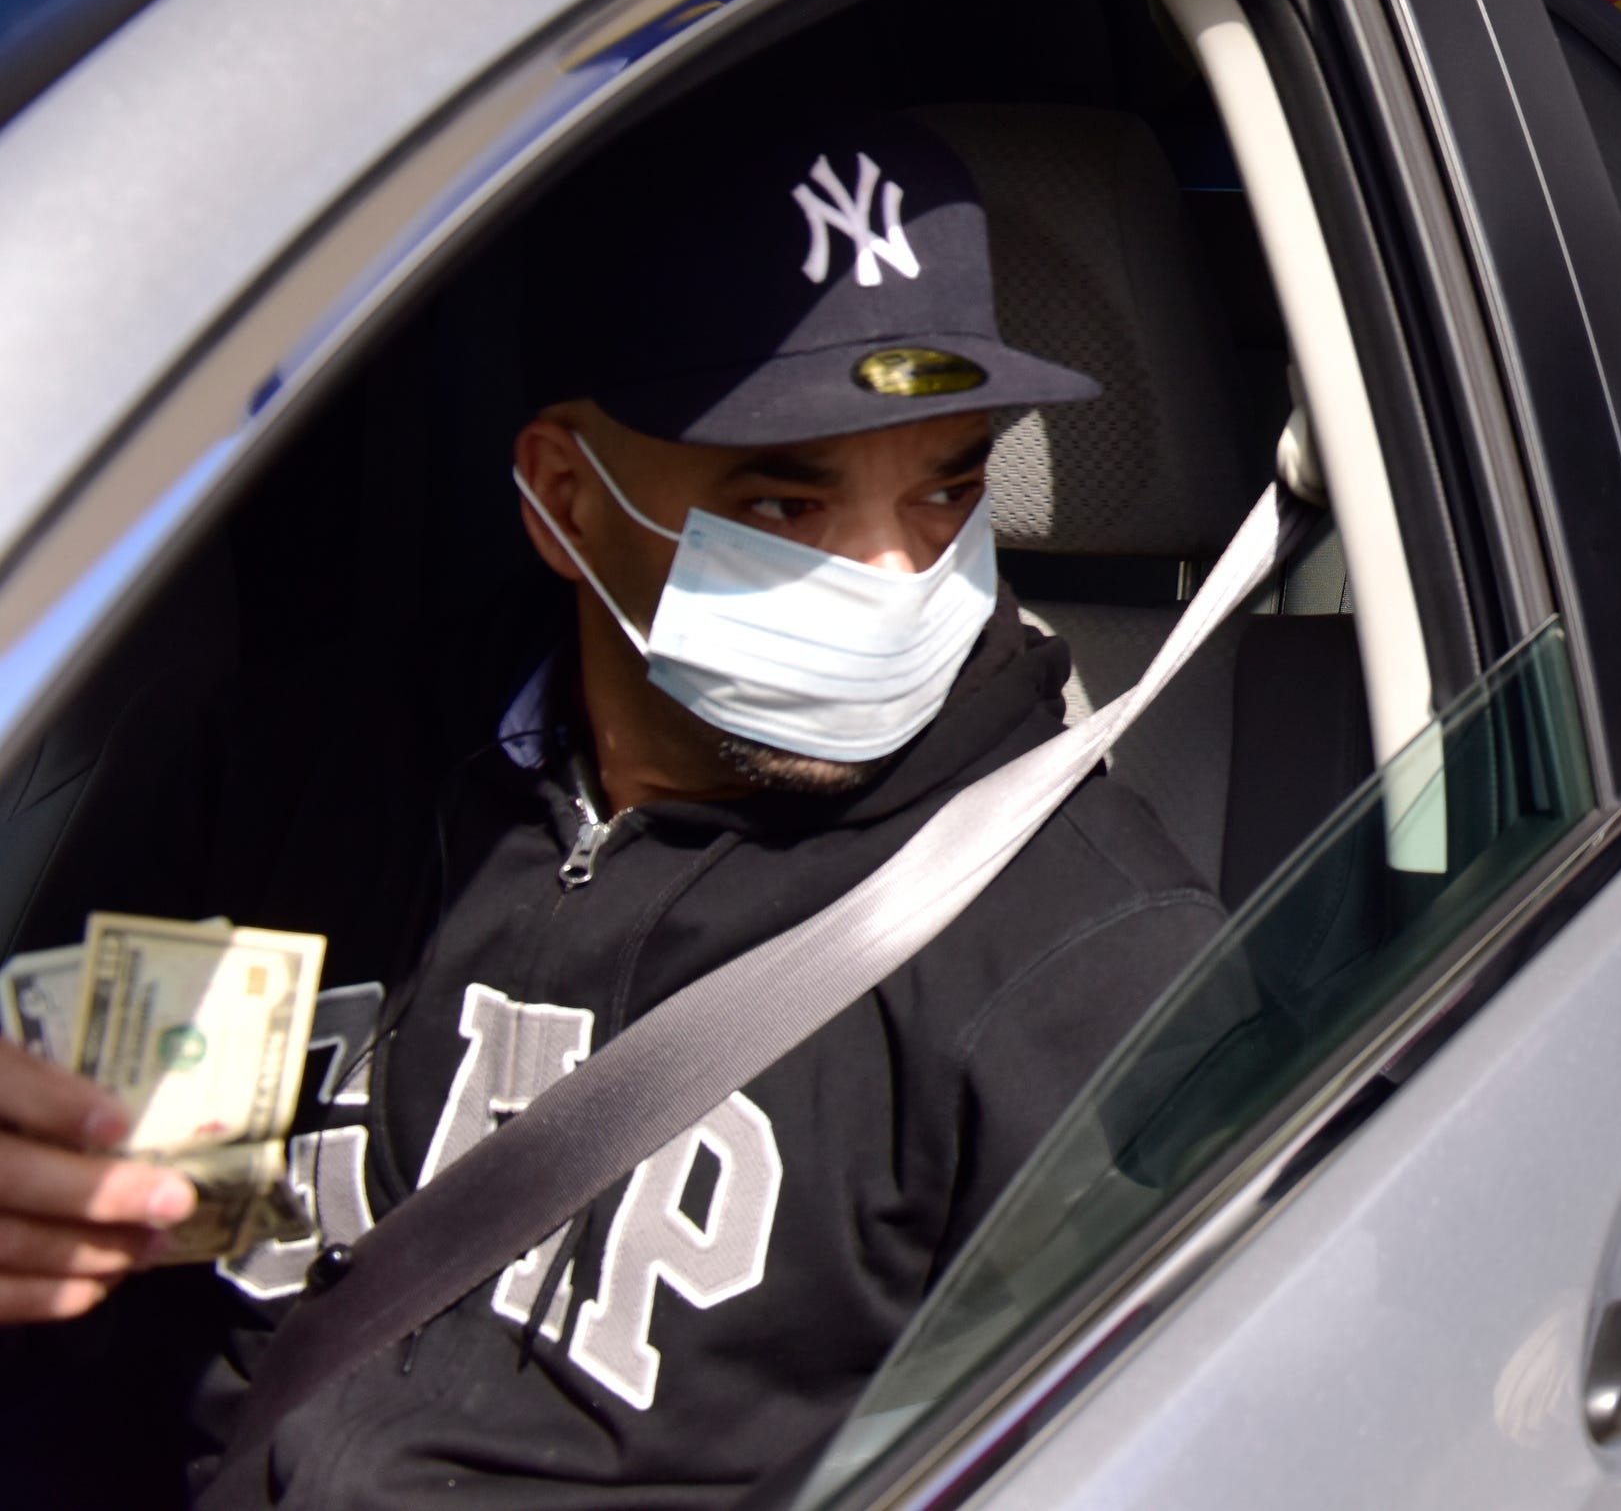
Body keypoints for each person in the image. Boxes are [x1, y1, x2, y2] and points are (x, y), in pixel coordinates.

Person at [0, 112, 1227, 1502]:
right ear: (567, 498)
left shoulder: (1078, 945)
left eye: (948, 487)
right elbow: (108, 1284)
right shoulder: (305, 768)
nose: (896, 572)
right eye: (786, 502)